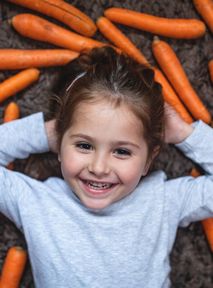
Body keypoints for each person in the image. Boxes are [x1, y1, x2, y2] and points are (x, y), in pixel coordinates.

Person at [0, 46, 212, 288]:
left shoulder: (163, 200)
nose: (99, 167)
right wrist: (45, 133)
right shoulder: (34, 202)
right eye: (83, 145)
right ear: (59, 145)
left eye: (121, 151)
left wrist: (184, 133)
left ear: (149, 160)